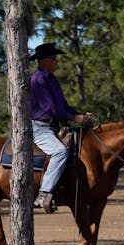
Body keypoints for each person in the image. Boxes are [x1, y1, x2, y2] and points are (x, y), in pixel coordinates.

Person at [30, 43, 91, 213]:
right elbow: (51, 109)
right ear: (43, 61)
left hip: (53, 127)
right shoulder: (38, 79)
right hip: (39, 128)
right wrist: (74, 118)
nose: (57, 62)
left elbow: (62, 106)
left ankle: (63, 189)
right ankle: (44, 194)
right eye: (53, 58)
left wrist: (80, 115)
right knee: (60, 152)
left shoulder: (52, 79)